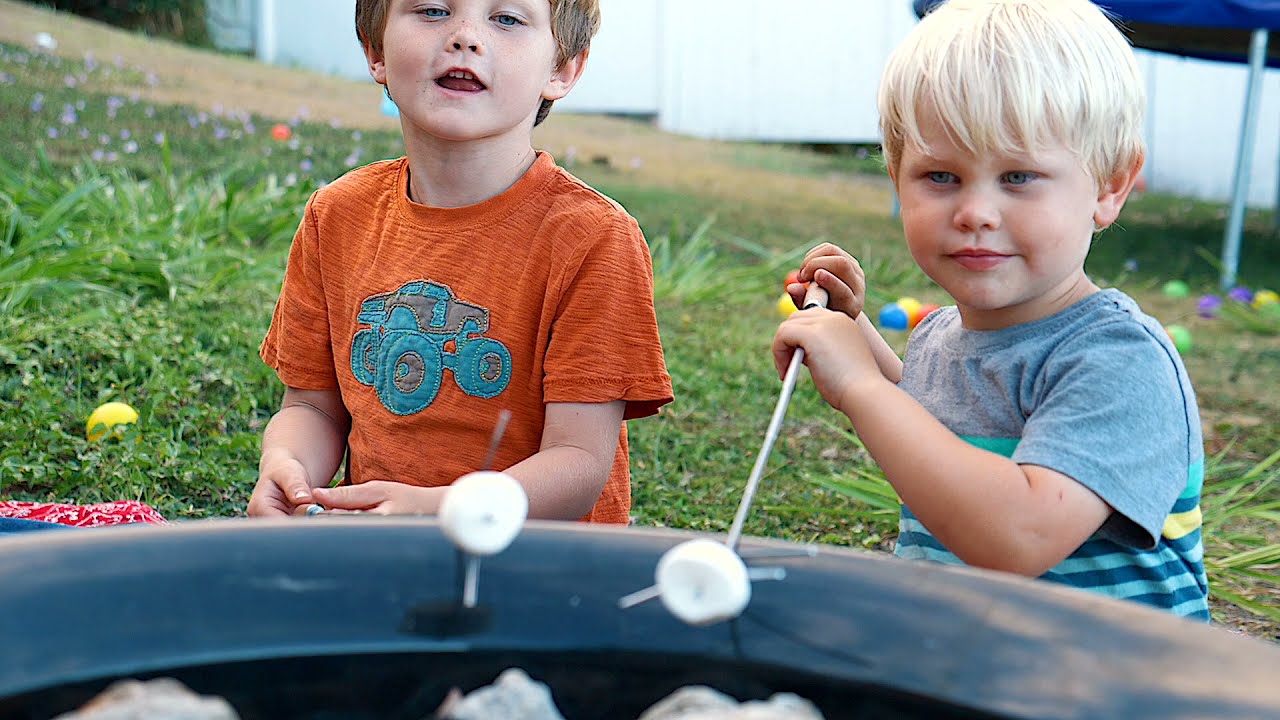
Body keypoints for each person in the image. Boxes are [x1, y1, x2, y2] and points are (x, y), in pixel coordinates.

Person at [774, 0, 1208, 619]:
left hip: (1109, 691)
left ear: (1109, 186)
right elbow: (945, 428)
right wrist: (854, 332)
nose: (975, 211)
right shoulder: (940, 336)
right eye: (941, 176)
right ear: (896, 176)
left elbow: (1019, 536)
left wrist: (862, 386)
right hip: (971, 667)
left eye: (1019, 177)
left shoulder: (1121, 362)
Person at [248, 0, 672, 523]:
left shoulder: (592, 238)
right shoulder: (336, 215)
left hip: (540, 563)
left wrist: (445, 509)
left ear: (562, 69)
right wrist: (288, 467)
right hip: (375, 546)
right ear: (375, 50)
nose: (465, 36)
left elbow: (579, 463)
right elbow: (312, 408)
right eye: (432, 10)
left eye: (507, 19)